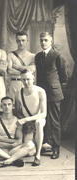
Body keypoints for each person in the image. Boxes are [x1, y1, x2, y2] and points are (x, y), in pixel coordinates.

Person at [0, 70, 47, 167]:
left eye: (28, 79)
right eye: (23, 80)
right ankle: (16, 157)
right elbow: (18, 111)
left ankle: (38, 155)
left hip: (37, 119)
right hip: (26, 123)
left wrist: (27, 119)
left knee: (39, 123)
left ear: (33, 79)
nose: (26, 82)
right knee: (29, 148)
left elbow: (44, 113)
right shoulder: (19, 92)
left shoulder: (40, 91)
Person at [35, 32, 68, 160]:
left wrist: (55, 87)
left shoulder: (57, 55)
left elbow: (63, 75)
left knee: (54, 121)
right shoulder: (38, 56)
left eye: (46, 40)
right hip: (41, 92)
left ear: (51, 41)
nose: (43, 42)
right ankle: (45, 144)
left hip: (54, 93)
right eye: (41, 40)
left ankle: (56, 148)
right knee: (44, 119)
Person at [7, 31, 35, 99]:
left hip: (27, 84)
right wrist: (26, 70)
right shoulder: (10, 55)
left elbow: (32, 70)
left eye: (23, 40)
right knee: (14, 107)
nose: (21, 43)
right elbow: (9, 71)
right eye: (19, 41)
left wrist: (16, 67)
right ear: (16, 41)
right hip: (14, 83)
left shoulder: (32, 56)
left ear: (27, 41)